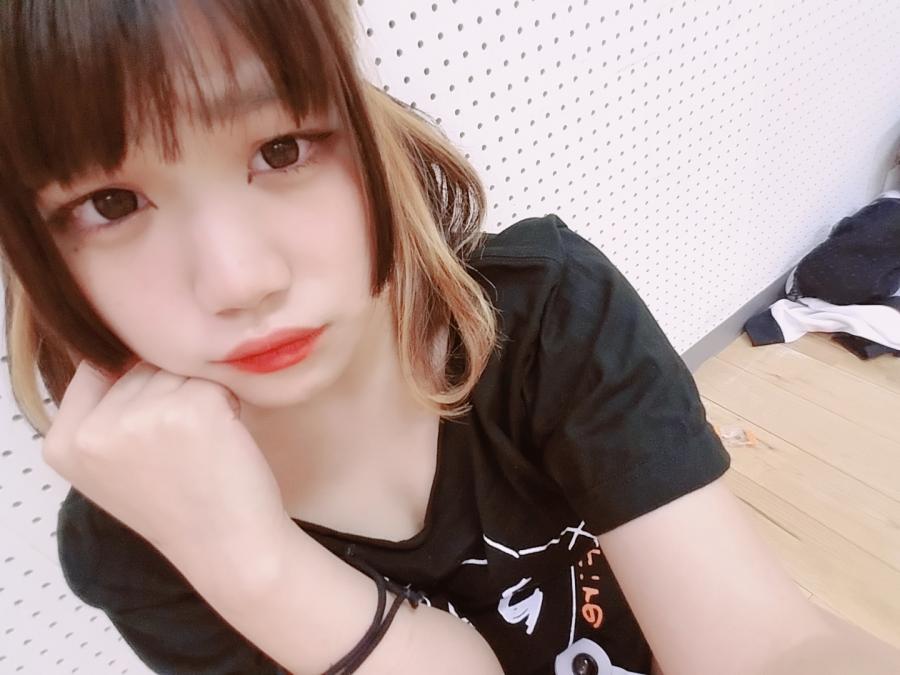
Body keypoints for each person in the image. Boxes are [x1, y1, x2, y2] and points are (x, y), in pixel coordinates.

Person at [0, 2, 897, 674]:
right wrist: (254, 566)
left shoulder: (543, 317)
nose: (240, 279)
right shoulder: (142, 532)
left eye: (281, 149)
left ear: (362, 127)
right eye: (109, 203)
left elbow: (767, 646)